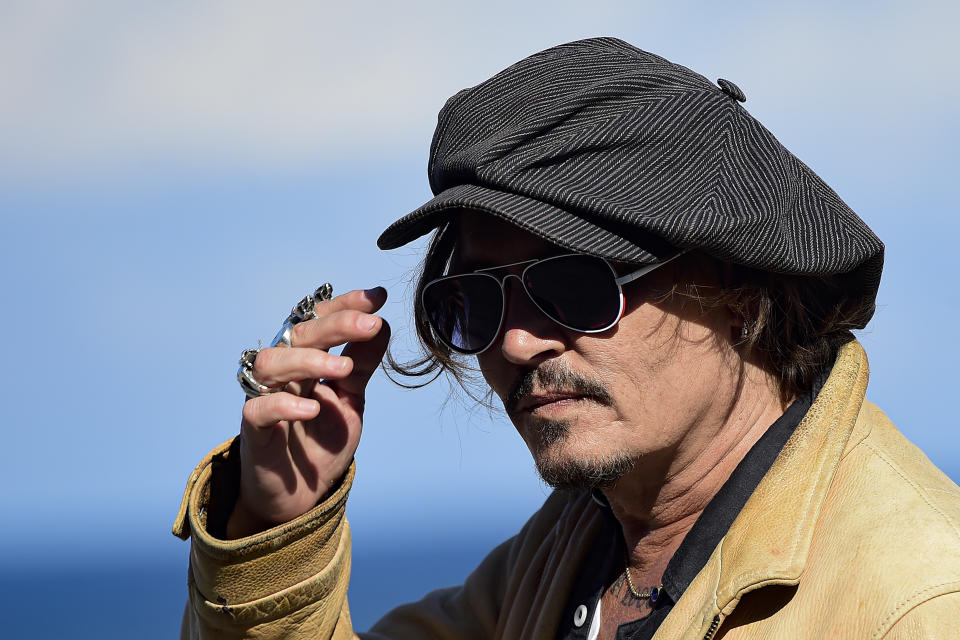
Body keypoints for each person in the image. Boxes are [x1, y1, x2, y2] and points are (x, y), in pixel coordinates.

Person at [173, 38, 960, 639]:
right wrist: (275, 530)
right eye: (472, 301)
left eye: (577, 286)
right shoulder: (573, 552)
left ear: (739, 288)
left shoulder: (916, 605)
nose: (514, 344)